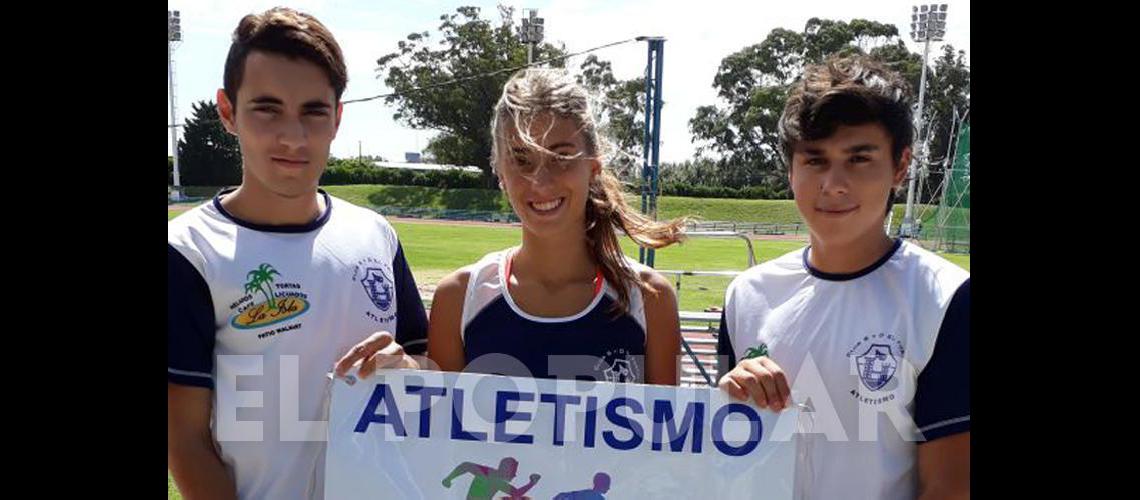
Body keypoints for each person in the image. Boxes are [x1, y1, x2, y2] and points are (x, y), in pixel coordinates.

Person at [167, 7, 426, 499]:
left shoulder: (376, 235)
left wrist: (408, 369)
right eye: (267, 109)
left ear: (338, 117)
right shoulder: (189, 252)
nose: (293, 137)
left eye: (313, 111)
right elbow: (185, 440)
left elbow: (424, 366)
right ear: (228, 112)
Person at [716, 55, 970, 499]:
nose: (833, 183)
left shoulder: (946, 299)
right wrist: (725, 398)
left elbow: (950, 487)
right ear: (790, 170)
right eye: (814, 160)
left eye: (858, 158)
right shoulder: (747, 295)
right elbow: (724, 458)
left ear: (900, 166)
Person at [426, 68, 683, 385]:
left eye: (561, 156)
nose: (541, 180)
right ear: (500, 173)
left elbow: (665, 432)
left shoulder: (649, 298)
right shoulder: (459, 298)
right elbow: (436, 429)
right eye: (522, 159)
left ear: (593, 168)